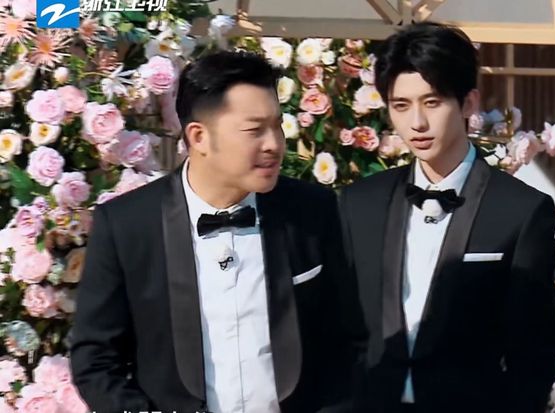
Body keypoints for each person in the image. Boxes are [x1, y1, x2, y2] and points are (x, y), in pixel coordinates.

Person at [71, 50, 368, 413]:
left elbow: (348, 341)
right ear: (199, 137)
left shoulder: (312, 210)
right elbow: (95, 360)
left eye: (277, 126)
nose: (274, 144)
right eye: (254, 130)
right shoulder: (127, 225)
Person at [339, 22, 555, 413]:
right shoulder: (360, 203)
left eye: (432, 102)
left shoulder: (521, 210)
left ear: (469, 103)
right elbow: (338, 330)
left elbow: (533, 351)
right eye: (401, 106)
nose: (417, 123)